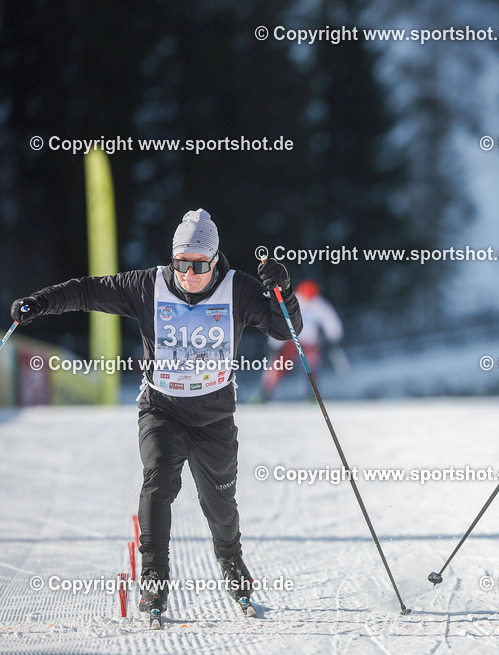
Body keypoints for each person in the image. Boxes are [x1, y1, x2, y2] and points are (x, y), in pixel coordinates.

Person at [9, 209, 302, 621]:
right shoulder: (149, 285)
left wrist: (282, 293)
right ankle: (154, 582)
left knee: (220, 505)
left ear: (215, 260)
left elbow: (285, 330)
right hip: (162, 408)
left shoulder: (238, 290)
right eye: (181, 263)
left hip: (216, 415)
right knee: (158, 482)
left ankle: (233, 567)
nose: (189, 273)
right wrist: (40, 303)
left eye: (199, 265)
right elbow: (88, 291)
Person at [256, 279, 343, 402]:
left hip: (310, 342)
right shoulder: (291, 302)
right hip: (291, 341)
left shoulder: (319, 304)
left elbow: (330, 320)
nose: (308, 300)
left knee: (312, 367)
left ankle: (313, 395)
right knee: (279, 365)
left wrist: (334, 337)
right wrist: (274, 343)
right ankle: (264, 393)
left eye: (311, 297)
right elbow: (280, 322)